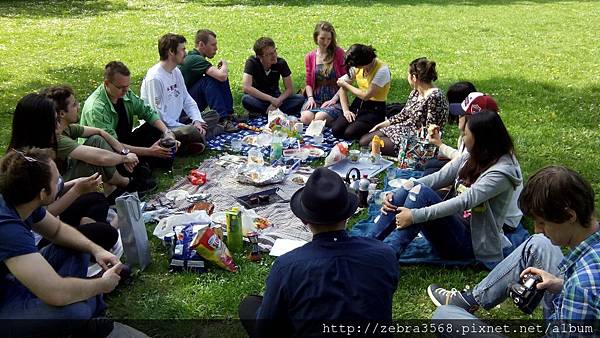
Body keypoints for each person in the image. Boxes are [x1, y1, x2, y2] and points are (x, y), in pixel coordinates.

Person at [429, 165, 599, 328]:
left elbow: (585, 291)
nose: (537, 230)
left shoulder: (581, 286)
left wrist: (570, 291)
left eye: (542, 223)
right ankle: (469, 300)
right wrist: (560, 284)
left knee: (445, 316)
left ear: (570, 216)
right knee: (538, 243)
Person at [239, 168, 399, 338]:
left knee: (249, 305)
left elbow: (266, 331)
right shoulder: (385, 254)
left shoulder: (287, 267)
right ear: (349, 214)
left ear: (303, 219)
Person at [369, 111, 523, 267]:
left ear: (481, 139)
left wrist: (414, 215)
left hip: (471, 243)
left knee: (421, 193)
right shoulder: (473, 155)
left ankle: (388, 256)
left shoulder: (500, 174)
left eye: (466, 134)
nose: (462, 137)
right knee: (412, 185)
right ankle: (367, 243)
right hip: (453, 224)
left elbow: (464, 201)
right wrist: (397, 192)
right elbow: (439, 177)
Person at [0, 148, 122, 337]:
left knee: (78, 245)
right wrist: (101, 285)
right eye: (56, 179)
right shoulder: (8, 228)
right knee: (75, 312)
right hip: (6, 302)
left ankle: (83, 300)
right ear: (42, 193)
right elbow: (56, 293)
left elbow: (57, 230)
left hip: (14, 281)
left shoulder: (22, 201)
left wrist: (96, 250)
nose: (61, 183)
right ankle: (88, 304)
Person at [8, 93, 118, 251]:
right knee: (108, 233)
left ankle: (88, 226)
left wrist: (77, 183)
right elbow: (42, 216)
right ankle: (93, 235)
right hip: (40, 239)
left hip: (54, 223)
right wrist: (77, 190)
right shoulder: (25, 167)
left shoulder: (40, 154)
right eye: (54, 123)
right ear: (39, 127)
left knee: (96, 197)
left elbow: (53, 192)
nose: (59, 127)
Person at [41, 85, 155, 195]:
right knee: (95, 157)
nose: (78, 106)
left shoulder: (67, 129)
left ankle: (111, 188)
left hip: (74, 175)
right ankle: (124, 183)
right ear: (61, 113)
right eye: (74, 104)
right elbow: (100, 158)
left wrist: (124, 152)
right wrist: (125, 158)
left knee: (97, 139)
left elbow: (100, 132)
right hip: (61, 186)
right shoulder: (57, 139)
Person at [80, 61, 178, 170]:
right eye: (121, 87)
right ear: (107, 84)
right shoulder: (97, 109)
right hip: (107, 152)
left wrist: (167, 132)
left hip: (125, 141)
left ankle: (153, 158)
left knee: (155, 129)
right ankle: (146, 162)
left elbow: (147, 112)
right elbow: (112, 145)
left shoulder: (126, 93)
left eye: (127, 86)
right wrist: (149, 151)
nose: (125, 91)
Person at [141, 33, 223, 154]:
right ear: (171, 52)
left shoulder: (176, 72)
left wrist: (197, 120)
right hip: (162, 129)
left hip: (178, 122)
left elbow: (186, 98)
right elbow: (158, 116)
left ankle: (191, 141)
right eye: (182, 49)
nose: (186, 53)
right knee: (195, 130)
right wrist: (186, 127)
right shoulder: (155, 78)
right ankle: (184, 144)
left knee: (214, 115)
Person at [361, 57, 447, 155]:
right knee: (363, 141)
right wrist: (381, 125)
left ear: (414, 77)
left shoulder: (435, 97)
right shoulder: (415, 92)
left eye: (408, 75)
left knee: (373, 144)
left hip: (418, 139)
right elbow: (403, 114)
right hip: (405, 128)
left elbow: (431, 129)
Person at [180, 29, 238, 133]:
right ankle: (222, 119)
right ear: (201, 44)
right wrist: (224, 65)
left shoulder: (196, 58)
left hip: (189, 101)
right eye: (213, 45)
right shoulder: (194, 59)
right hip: (182, 109)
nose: (216, 48)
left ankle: (228, 115)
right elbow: (222, 76)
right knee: (209, 80)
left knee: (213, 77)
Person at [331, 44, 391, 141]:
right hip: (357, 104)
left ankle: (372, 129)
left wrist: (346, 85)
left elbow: (366, 95)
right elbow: (342, 87)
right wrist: (346, 111)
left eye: (358, 66)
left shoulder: (382, 70)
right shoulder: (358, 67)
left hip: (375, 109)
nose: (357, 68)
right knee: (336, 130)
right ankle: (356, 124)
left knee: (349, 133)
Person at [241, 37, 304, 117]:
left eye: (274, 51)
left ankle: (264, 113)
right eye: (269, 54)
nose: (274, 55)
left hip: (276, 98)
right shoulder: (252, 62)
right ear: (259, 57)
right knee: (246, 99)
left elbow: (290, 89)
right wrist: (271, 99)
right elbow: (246, 87)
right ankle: (273, 113)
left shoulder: (281, 63)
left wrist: (276, 102)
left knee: (300, 99)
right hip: (258, 98)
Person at [299, 21, 347, 126]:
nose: (325, 42)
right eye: (322, 38)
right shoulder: (310, 56)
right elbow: (308, 83)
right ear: (316, 38)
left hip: (334, 97)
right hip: (316, 97)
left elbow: (346, 81)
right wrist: (310, 98)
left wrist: (334, 100)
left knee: (319, 118)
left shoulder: (338, 53)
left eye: (329, 39)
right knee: (306, 118)